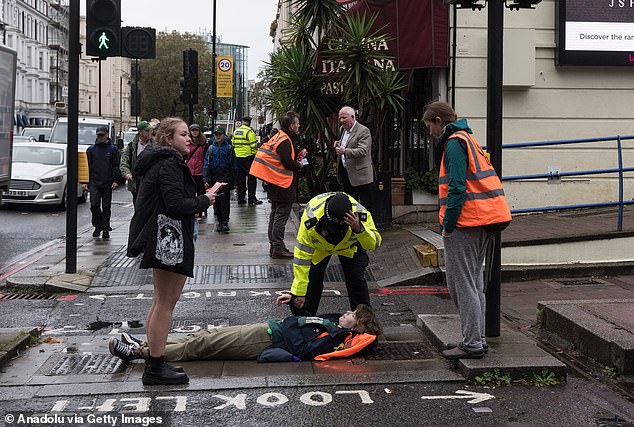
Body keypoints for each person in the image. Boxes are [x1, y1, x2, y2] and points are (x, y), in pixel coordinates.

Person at [127, 117, 226, 385]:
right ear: (169, 139)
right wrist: (205, 200)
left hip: (163, 236)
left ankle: (154, 360)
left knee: (160, 302)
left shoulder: (161, 161)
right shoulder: (169, 163)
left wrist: (202, 195)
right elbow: (174, 203)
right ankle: (156, 366)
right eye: (183, 134)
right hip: (167, 238)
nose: (189, 138)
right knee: (165, 303)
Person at [422, 101, 512, 360]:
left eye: (430, 125)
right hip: (484, 221)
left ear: (439, 121)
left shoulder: (453, 144)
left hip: (466, 223)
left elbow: (457, 187)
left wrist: (447, 226)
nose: (430, 132)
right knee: (473, 284)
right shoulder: (468, 139)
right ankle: (477, 338)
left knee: (461, 285)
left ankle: (472, 342)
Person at [108, 304, 382, 364]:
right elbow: (300, 319)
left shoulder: (333, 337)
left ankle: (139, 353)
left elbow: (303, 350)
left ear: (354, 325)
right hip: (266, 330)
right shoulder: (333, 324)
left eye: (351, 315)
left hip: (265, 338)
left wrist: (289, 325)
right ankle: (146, 344)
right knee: (201, 335)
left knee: (203, 345)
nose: (345, 313)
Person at [276, 192, 381, 316]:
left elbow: (373, 244)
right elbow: (302, 258)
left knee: (356, 280)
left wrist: (359, 229)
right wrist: (299, 293)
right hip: (320, 249)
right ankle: (305, 322)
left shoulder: (360, 214)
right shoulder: (310, 219)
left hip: (348, 247)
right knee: (311, 282)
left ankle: (364, 322)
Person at [250, 111, 305, 259]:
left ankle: (275, 246)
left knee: (275, 215)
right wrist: (299, 164)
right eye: (297, 123)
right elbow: (287, 163)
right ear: (291, 125)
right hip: (282, 184)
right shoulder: (285, 140)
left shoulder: (279, 137)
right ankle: (278, 247)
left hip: (275, 182)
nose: (299, 125)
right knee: (280, 216)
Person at [334, 106, 374, 213]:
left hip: (361, 176)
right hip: (346, 173)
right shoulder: (342, 129)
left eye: (344, 118)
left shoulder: (363, 131)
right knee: (349, 204)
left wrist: (345, 151)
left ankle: (366, 227)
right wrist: (338, 144)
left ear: (352, 117)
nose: (342, 121)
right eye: (340, 118)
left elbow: (363, 151)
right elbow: (346, 143)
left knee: (365, 205)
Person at [84, 126, 122, 239]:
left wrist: (116, 181)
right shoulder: (91, 150)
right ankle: (97, 225)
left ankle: (105, 228)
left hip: (107, 182)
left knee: (106, 207)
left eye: (102, 135)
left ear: (106, 135)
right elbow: (88, 167)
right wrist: (86, 181)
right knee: (94, 205)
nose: (100, 137)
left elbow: (116, 166)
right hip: (95, 182)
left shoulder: (113, 150)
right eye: (98, 135)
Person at [204, 126, 236, 233]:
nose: (218, 136)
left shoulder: (229, 148)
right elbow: (207, 164)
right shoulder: (211, 149)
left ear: (223, 135)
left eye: (220, 134)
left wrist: (233, 181)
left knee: (225, 201)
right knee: (216, 200)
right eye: (216, 134)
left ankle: (225, 222)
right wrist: (207, 179)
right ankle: (219, 222)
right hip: (214, 178)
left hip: (225, 178)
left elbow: (233, 165)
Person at [120, 120, 154, 205]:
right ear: (140, 132)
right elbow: (124, 161)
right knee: (138, 204)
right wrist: (127, 173)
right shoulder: (132, 146)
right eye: (147, 131)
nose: (150, 132)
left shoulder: (155, 145)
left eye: (150, 130)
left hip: (151, 179)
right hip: (136, 180)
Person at [232, 116, 262, 205]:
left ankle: (241, 199)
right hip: (248, 158)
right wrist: (254, 155)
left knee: (240, 179)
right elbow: (253, 146)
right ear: (249, 122)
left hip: (238, 157)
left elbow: (233, 143)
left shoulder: (236, 131)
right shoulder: (250, 132)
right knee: (251, 178)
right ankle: (251, 198)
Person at [185, 123, 209, 217]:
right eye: (193, 130)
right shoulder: (187, 143)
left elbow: (205, 158)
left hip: (200, 171)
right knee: (190, 191)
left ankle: (202, 209)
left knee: (201, 191)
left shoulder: (203, 144)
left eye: (196, 130)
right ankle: (193, 209)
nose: (194, 132)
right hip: (190, 170)